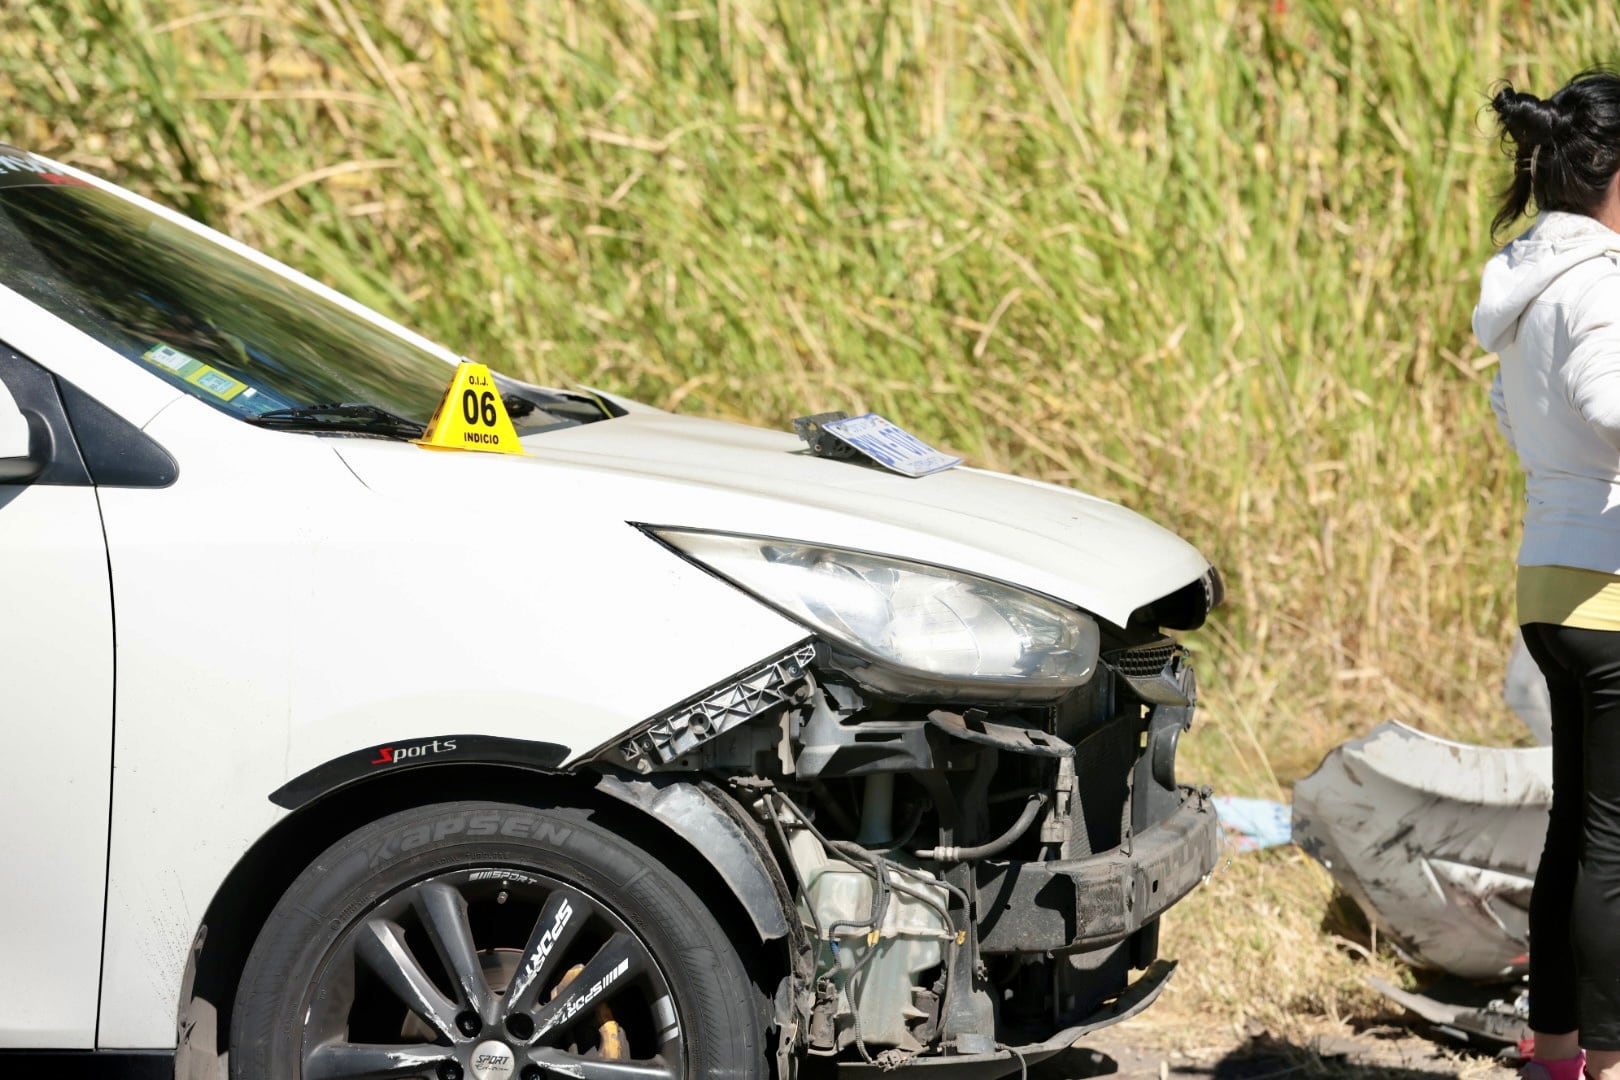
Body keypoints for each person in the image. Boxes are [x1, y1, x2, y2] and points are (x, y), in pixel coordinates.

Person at [1475, 69, 1620, 1080]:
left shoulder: (1529, 284)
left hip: (1550, 585)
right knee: (1615, 848)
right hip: (1612, 597)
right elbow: (1609, 403)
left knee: (1577, 833)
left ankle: (1557, 1053)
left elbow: (1511, 413)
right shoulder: (1605, 280)